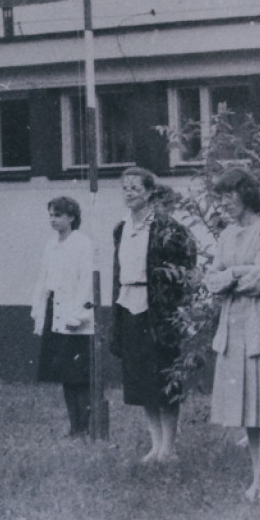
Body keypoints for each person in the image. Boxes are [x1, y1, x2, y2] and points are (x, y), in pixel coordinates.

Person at [205, 169, 260, 502]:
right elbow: (210, 280)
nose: (223, 204)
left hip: (259, 324)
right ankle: (256, 478)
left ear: (247, 195)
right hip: (231, 327)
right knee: (246, 408)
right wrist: (230, 277)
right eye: (220, 197)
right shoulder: (226, 235)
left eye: (229, 196)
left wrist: (231, 275)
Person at [110, 167, 196, 463]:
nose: (129, 192)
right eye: (125, 187)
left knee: (163, 375)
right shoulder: (121, 229)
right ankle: (155, 444)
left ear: (149, 192)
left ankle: (169, 447)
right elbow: (117, 272)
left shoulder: (166, 227)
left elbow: (188, 262)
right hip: (129, 304)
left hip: (158, 310)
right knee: (141, 380)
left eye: (135, 187)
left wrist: (178, 303)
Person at [30, 196, 94, 438]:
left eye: (58, 215)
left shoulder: (82, 243)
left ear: (72, 217)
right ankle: (74, 426)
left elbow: (86, 280)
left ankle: (85, 426)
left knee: (79, 375)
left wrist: (78, 314)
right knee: (66, 373)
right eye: (51, 215)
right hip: (55, 313)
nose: (53, 220)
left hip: (76, 316)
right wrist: (38, 308)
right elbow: (44, 278)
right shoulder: (51, 244)